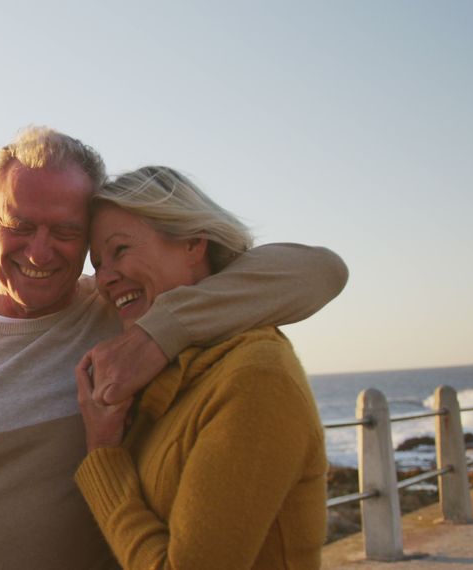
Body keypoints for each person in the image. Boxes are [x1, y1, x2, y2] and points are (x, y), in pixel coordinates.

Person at [0, 127, 345, 569]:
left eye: (65, 231)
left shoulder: (126, 307)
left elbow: (320, 270)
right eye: (19, 225)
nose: (39, 252)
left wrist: (157, 334)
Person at [75, 166, 328, 569]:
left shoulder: (255, 377)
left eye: (120, 250)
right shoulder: (170, 367)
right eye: (97, 263)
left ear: (193, 242)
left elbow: (325, 268)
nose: (104, 279)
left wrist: (103, 453)